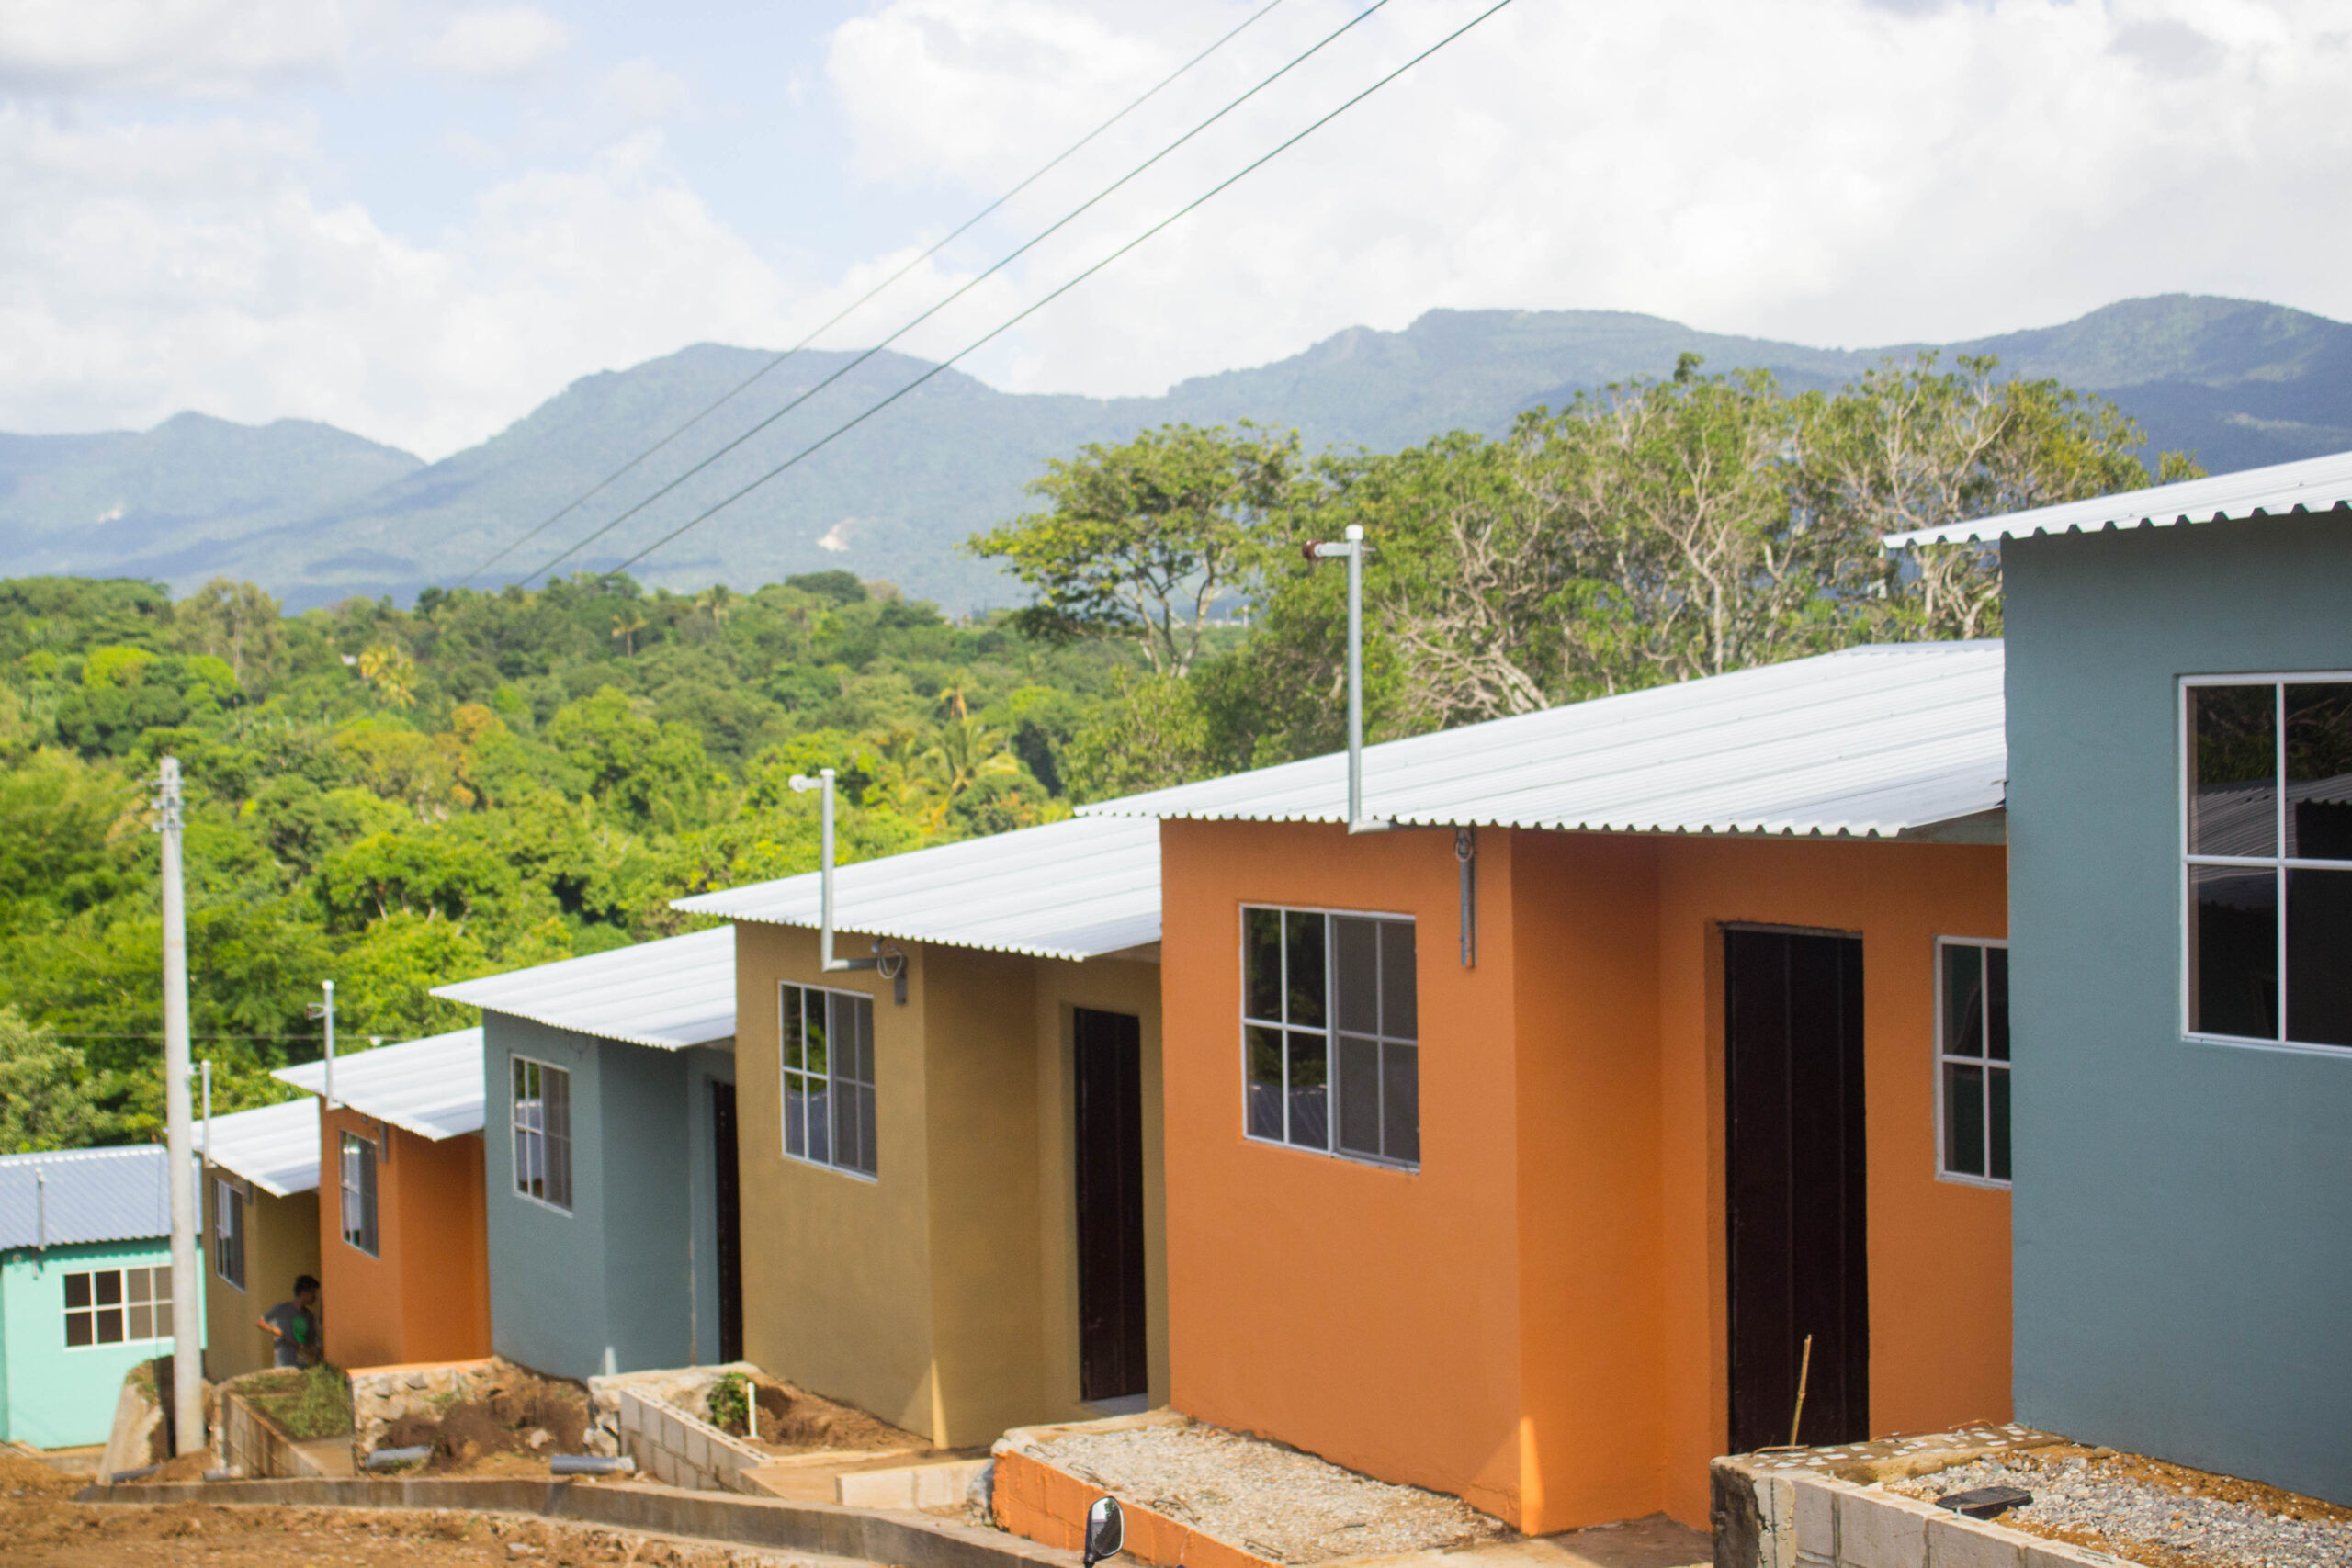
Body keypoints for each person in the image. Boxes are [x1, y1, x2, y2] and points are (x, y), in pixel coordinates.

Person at [258, 1275, 321, 1368]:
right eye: (313, 1293)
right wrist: (273, 1329)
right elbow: (260, 1322)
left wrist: (311, 1351)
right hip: (282, 1366)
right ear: (303, 1293)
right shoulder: (281, 1309)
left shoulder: (309, 1316)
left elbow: (311, 1345)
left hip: (301, 1367)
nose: (315, 1297)